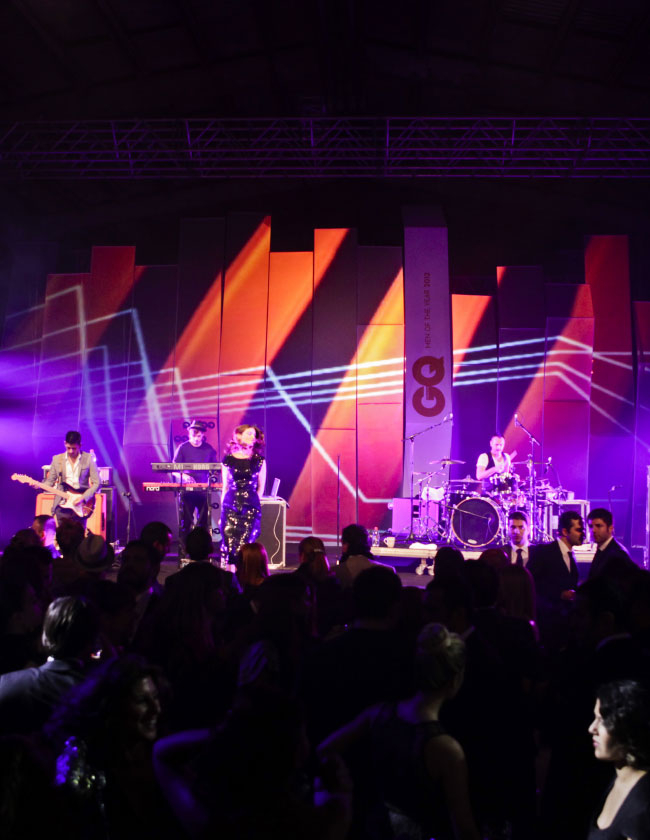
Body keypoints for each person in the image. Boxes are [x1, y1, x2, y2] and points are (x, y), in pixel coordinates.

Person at [318, 623, 480, 840]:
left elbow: (325, 749)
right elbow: (464, 829)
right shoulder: (447, 750)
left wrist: (343, 792)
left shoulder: (378, 714)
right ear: (454, 680)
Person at [587, 680, 650, 839]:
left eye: (603, 720)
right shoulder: (618, 779)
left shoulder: (642, 800)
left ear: (626, 728)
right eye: (595, 718)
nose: (592, 728)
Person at [219, 424, 266, 566]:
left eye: (254, 435)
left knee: (246, 545)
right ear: (239, 436)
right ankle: (230, 576)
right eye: (249, 433)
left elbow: (261, 487)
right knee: (229, 545)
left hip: (250, 507)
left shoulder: (259, 460)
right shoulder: (228, 460)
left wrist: (255, 504)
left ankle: (245, 576)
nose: (253, 437)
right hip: (230, 506)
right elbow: (225, 487)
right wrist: (222, 510)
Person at [173, 420, 218, 558]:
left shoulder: (209, 449)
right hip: (187, 491)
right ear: (189, 434)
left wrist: (212, 477)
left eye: (199, 436)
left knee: (203, 522)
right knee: (185, 522)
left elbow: (215, 470)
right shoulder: (183, 448)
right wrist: (184, 476)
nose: (197, 439)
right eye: (194, 435)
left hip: (203, 491)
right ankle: (184, 551)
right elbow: (174, 470)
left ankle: (202, 551)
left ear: (203, 435)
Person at [43, 431, 100, 527]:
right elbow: (50, 482)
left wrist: (83, 497)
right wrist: (38, 485)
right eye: (68, 448)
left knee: (79, 534)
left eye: (74, 448)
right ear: (65, 443)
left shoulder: (88, 459)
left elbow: (97, 483)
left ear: (80, 445)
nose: (71, 451)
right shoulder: (57, 459)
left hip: (80, 505)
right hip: (62, 505)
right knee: (63, 534)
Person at [587, 508, 636, 580]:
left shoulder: (618, 553)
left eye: (598, 526)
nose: (593, 530)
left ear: (610, 528)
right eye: (591, 526)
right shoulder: (603, 549)